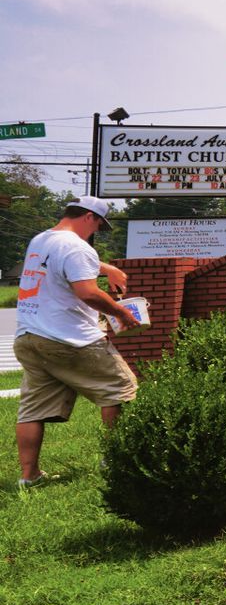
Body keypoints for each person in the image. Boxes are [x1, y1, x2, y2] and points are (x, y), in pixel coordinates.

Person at [13, 196, 140, 490]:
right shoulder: (77, 247)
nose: (95, 231)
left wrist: (107, 268)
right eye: (98, 225)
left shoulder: (41, 240)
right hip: (69, 339)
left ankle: (29, 477)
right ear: (89, 217)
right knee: (120, 390)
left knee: (32, 409)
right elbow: (88, 293)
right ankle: (115, 461)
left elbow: (62, 262)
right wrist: (122, 313)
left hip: (30, 337)